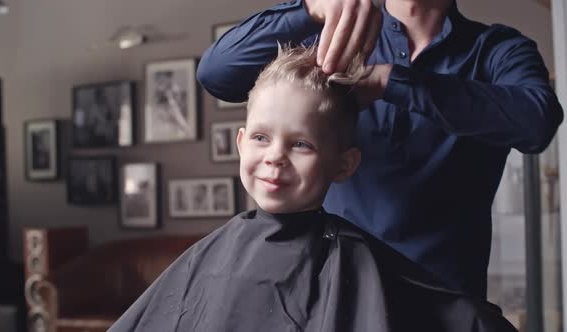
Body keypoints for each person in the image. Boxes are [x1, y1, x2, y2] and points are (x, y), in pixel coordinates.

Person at [196, 0, 564, 299]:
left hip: (445, 303)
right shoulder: (330, 36)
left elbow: (536, 122)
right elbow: (216, 73)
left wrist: (392, 82)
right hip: (335, 295)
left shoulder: (498, 50)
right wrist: (309, 8)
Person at [108, 45, 390, 332]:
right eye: (261, 137)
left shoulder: (354, 261)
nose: (275, 156)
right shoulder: (209, 253)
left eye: (301, 144)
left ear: (343, 165)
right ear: (241, 144)